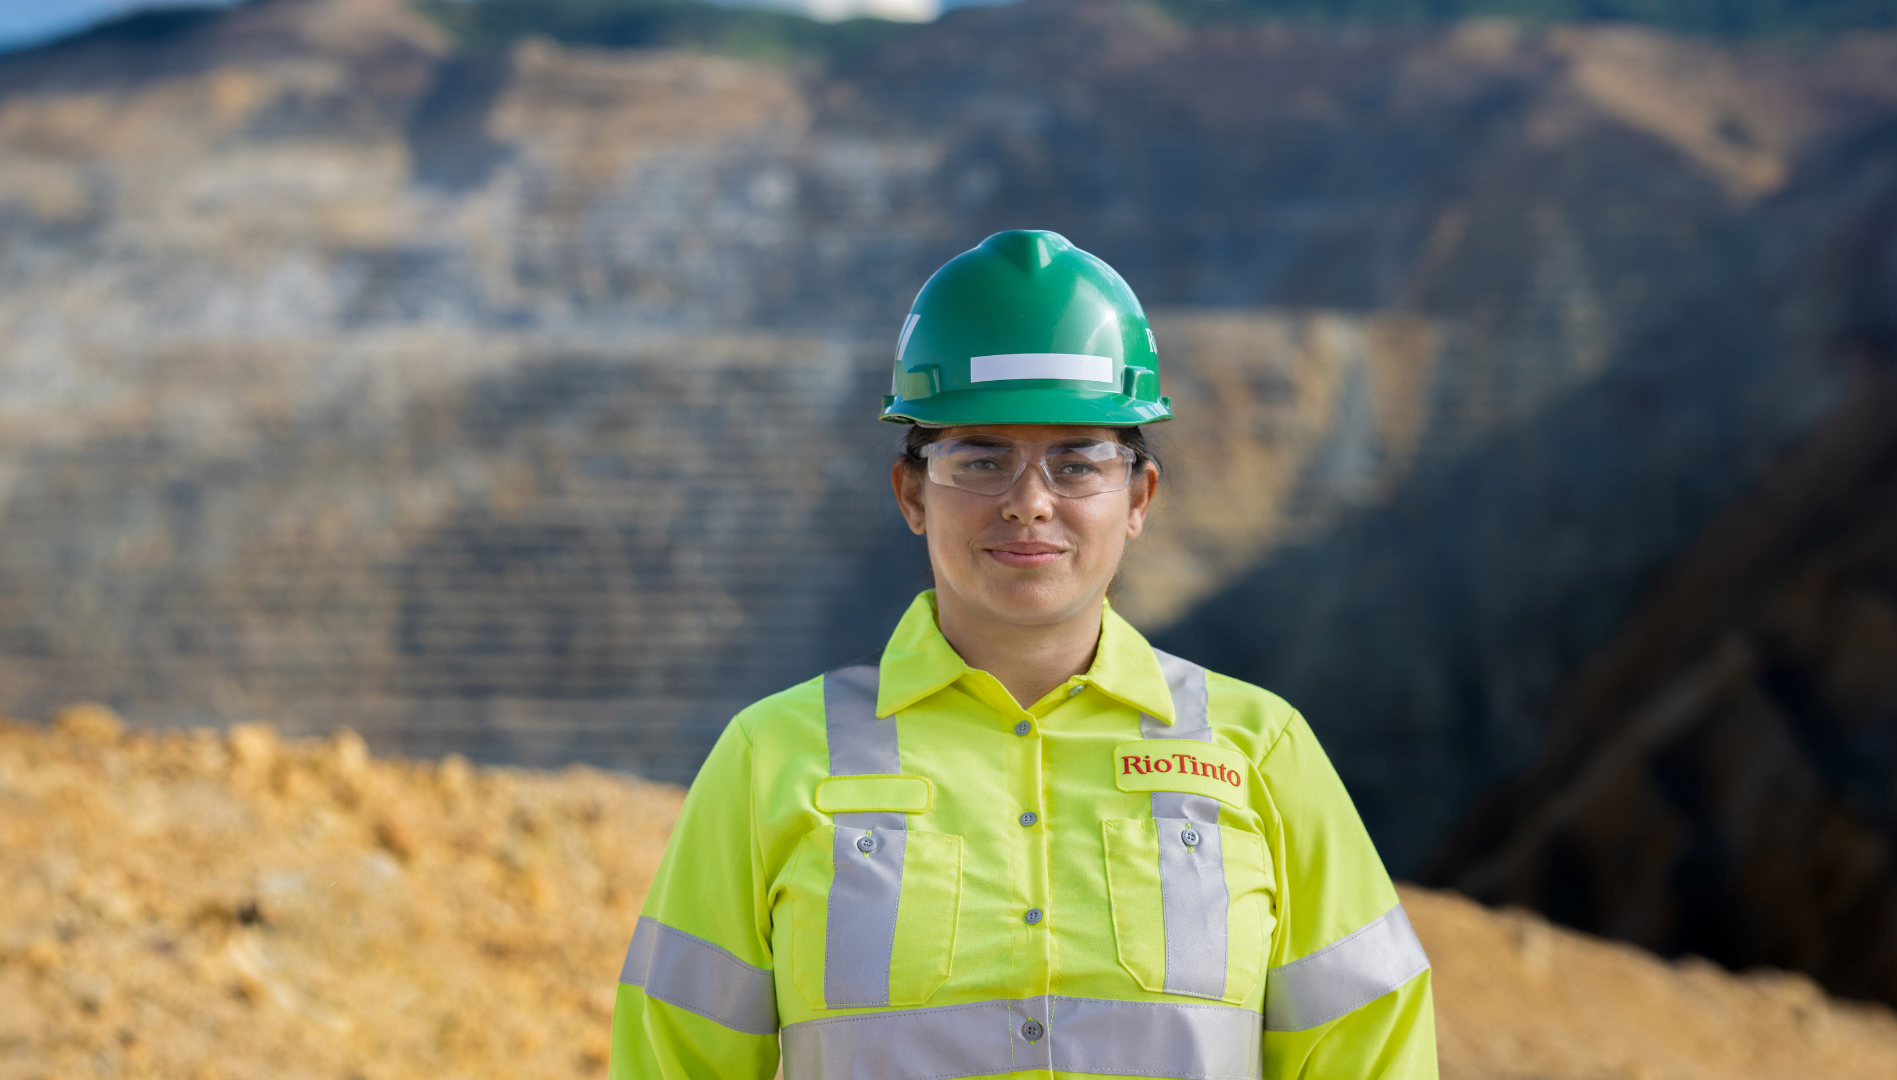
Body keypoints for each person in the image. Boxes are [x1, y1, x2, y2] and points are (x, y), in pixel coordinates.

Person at [608, 230, 1439, 1079]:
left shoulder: (1261, 755)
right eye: (981, 459)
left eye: (1078, 463)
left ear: (1139, 496)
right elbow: (673, 1060)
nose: (1029, 503)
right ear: (911, 493)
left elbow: (1371, 1050)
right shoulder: (770, 760)